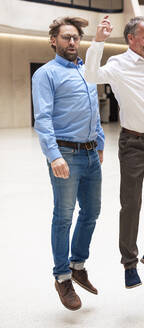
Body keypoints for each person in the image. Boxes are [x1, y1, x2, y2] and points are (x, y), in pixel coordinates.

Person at [85, 16, 144, 289]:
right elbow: (91, 76)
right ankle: (129, 263)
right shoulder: (118, 64)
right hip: (134, 144)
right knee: (131, 204)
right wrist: (99, 41)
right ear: (131, 39)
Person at [32, 16, 105, 311]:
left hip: (90, 153)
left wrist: (99, 142)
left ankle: (78, 264)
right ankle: (62, 276)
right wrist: (54, 156)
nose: (72, 42)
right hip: (66, 154)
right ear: (54, 41)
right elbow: (43, 118)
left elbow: (94, 107)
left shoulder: (85, 70)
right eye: (65, 37)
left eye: (75, 37)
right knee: (63, 216)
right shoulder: (46, 74)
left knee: (91, 211)